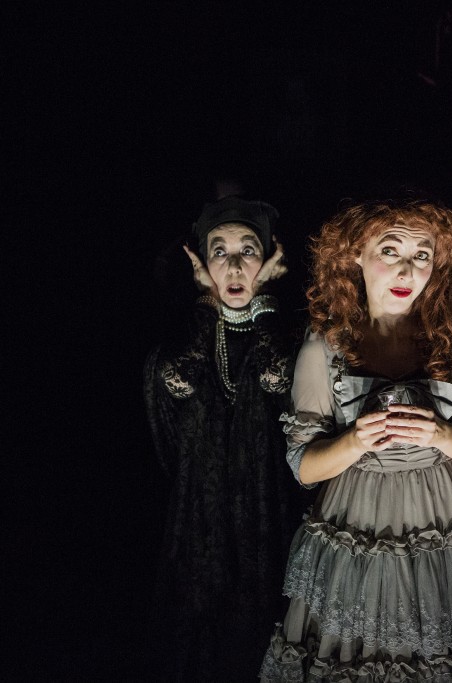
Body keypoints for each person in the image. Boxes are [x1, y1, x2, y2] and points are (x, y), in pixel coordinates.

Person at [258, 200, 452, 682]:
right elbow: (303, 466)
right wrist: (354, 442)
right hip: (358, 525)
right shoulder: (325, 345)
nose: (406, 270)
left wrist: (442, 434)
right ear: (355, 253)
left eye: (421, 255)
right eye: (390, 250)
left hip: (449, 523)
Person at [144, 195, 306, 681]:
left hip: (272, 525)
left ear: (272, 259)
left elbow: (280, 378)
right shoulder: (180, 339)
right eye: (219, 252)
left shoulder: (290, 334)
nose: (234, 267)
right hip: (200, 532)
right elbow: (179, 382)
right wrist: (205, 303)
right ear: (199, 263)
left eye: (248, 250)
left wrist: (266, 300)